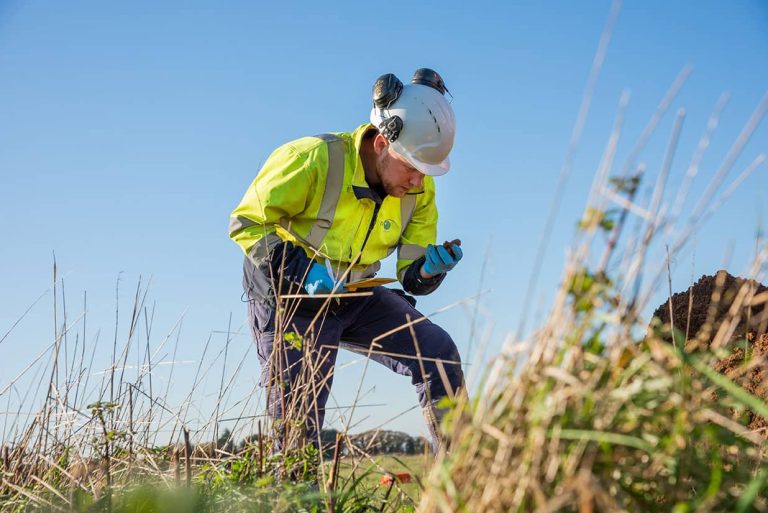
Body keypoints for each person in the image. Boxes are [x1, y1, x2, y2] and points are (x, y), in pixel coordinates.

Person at [229, 68, 464, 455]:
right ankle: (293, 496)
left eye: (425, 173)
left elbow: (410, 274)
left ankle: (459, 485)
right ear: (381, 143)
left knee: (437, 354)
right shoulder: (312, 158)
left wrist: (428, 269)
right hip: (291, 298)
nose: (418, 183)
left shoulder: (418, 189)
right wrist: (304, 271)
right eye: (412, 170)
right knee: (298, 419)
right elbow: (247, 222)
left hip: (358, 293)